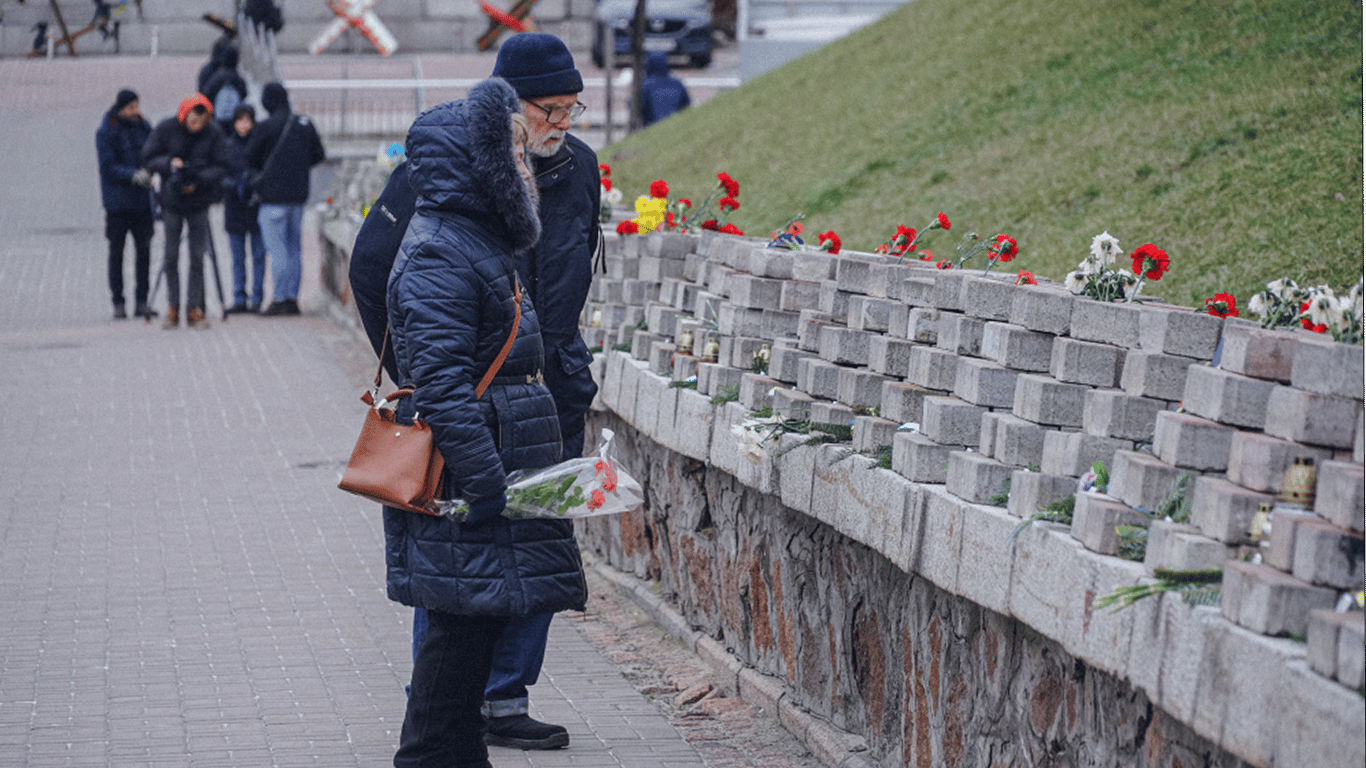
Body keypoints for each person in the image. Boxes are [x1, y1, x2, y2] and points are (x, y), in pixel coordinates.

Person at [348, 31, 601, 751]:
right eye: (546, 112)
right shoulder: (442, 198)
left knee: (521, 573)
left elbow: (571, 269)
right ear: (503, 120)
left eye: (570, 110)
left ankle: (501, 696)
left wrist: (562, 369)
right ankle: (457, 707)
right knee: (462, 588)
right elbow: (376, 271)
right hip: (474, 419)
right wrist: (427, 381)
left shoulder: (573, 169)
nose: (558, 126)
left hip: (539, 399)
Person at [141, 94, 231, 329]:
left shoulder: (214, 134)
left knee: (197, 257)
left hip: (199, 201)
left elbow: (222, 165)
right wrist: (170, 164)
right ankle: (173, 308)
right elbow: (148, 157)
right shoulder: (166, 129)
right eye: (193, 119)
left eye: (201, 120)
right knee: (170, 256)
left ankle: (194, 308)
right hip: (171, 202)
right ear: (184, 114)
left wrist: (200, 180)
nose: (197, 124)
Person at [246, 82, 325, 316]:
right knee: (294, 249)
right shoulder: (304, 124)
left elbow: (250, 158)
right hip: (298, 198)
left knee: (277, 250)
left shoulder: (265, 127)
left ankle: (278, 298)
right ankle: (292, 298)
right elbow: (319, 155)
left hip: (272, 198)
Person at [95, 88, 155, 320]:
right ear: (120, 108)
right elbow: (107, 167)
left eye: (137, 106)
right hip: (118, 203)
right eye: (131, 107)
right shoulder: (106, 131)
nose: (135, 111)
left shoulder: (142, 126)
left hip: (141, 202)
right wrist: (134, 175)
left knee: (144, 252)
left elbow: (154, 149)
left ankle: (142, 300)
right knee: (117, 253)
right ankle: (118, 301)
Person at [222, 105, 267, 314]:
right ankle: (239, 297)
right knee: (238, 257)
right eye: (240, 120)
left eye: (247, 120)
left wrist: (253, 184)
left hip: (255, 206)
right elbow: (220, 175)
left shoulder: (259, 144)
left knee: (258, 255)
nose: (244, 125)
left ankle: (257, 297)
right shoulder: (227, 145)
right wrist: (234, 186)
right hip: (234, 207)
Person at [639, 51, 691, 127]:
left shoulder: (645, 85)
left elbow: (639, 107)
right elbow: (686, 105)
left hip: (653, 126)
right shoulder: (677, 84)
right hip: (675, 124)